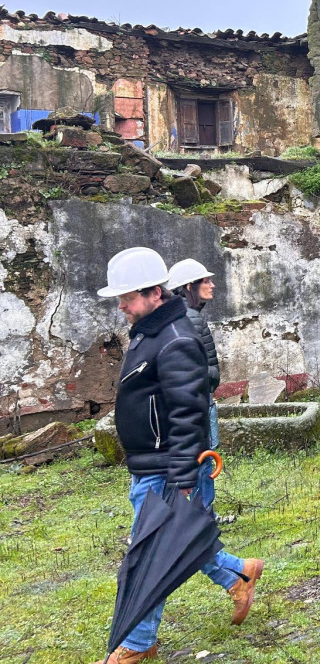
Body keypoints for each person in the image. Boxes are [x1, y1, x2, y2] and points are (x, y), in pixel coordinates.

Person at [95, 248, 263, 664]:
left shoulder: (176, 339)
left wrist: (184, 478)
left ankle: (136, 645)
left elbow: (189, 414)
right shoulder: (150, 331)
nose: (121, 305)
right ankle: (240, 573)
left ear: (154, 293)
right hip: (153, 464)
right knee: (176, 541)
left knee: (151, 553)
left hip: (169, 468)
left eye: (127, 297)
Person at [165, 259, 220, 509]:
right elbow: (198, 368)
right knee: (203, 459)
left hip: (191, 402)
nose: (212, 285)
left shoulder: (181, 315)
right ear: (190, 286)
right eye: (205, 281)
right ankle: (203, 517)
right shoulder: (191, 318)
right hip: (198, 403)